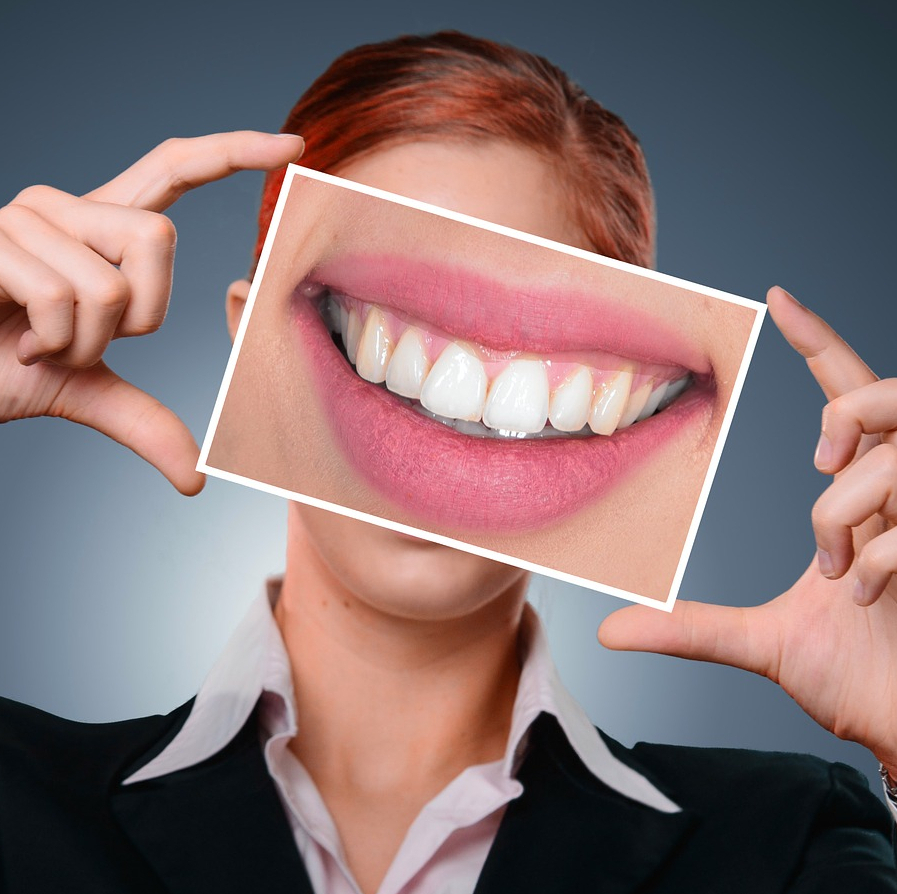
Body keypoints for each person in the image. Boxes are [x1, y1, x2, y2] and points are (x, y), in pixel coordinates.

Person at [1, 30, 896, 893]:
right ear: (247, 329)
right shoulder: (18, 799)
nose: (460, 382)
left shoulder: (785, 840)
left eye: (538, 346)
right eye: (387, 309)